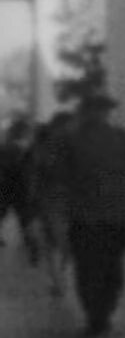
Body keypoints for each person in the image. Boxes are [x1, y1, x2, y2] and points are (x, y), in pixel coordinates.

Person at [62, 94, 125, 338]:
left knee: (90, 269)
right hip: (114, 215)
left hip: (88, 216)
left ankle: (97, 316)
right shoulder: (123, 138)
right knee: (109, 268)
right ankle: (102, 314)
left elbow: (61, 174)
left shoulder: (71, 139)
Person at [26, 111, 76, 295]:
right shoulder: (45, 148)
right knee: (56, 243)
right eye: (69, 126)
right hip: (51, 202)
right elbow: (35, 177)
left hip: (62, 201)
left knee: (60, 244)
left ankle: (59, 279)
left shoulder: (67, 146)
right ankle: (58, 281)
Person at [0, 118, 30, 252]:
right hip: (18, 184)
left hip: (5, 184)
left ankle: (29, 240)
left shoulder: (5, 146)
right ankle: (29, 240)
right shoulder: (22, 147)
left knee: (3, 212)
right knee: (23, 214)